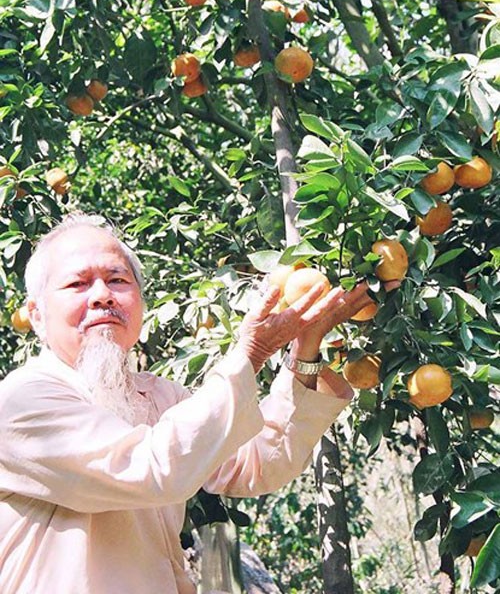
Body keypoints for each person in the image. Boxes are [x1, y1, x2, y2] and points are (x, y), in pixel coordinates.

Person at [0, 213, 382, 594]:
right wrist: (252, 351)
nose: (102, 295)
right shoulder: (22, 400)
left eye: (117, 280)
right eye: (77, 283)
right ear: (36, 314)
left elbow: (258, 462)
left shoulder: (158, 396)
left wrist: (306, 345)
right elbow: (152, 468)